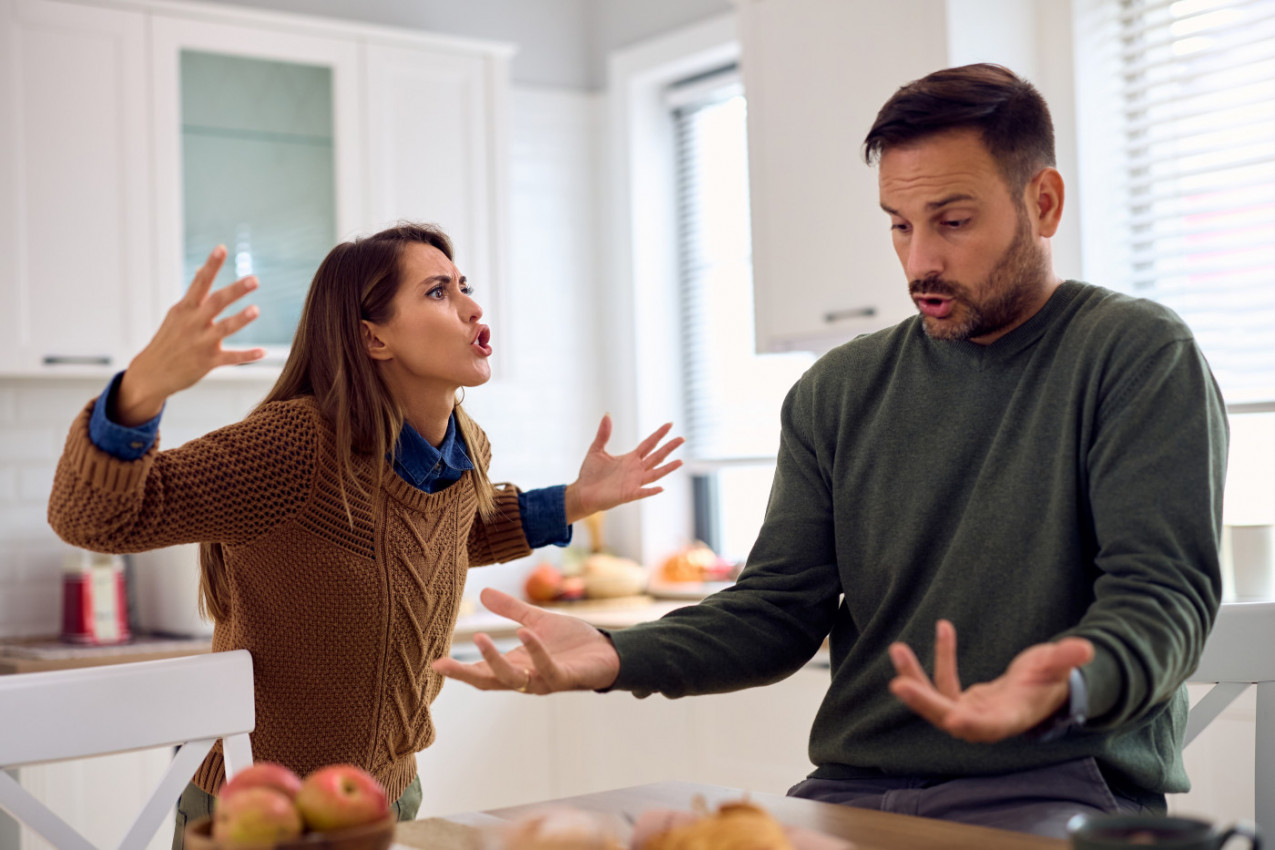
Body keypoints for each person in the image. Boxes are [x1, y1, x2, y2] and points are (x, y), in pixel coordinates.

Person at [432, 64, 1230, 839]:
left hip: (1054, 788)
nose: (920, 261)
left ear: (1043, 203)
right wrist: (615, 652)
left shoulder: (1132, 354)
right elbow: (776, 613)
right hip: (852, 793)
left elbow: (1161, 596)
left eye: (953, 222)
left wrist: (1069, 682)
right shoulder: (839, 390)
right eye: (898, 224)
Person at [46, 222, 683, 848]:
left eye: (464, 285)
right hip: (260, 805)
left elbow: (450, 532)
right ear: (373, 337)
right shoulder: (298, 445)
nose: (472, 305)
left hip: (392, 795)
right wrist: (142, 389)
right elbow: (92, 517)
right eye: (438, 292)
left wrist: (577, 499)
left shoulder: (462, 447)